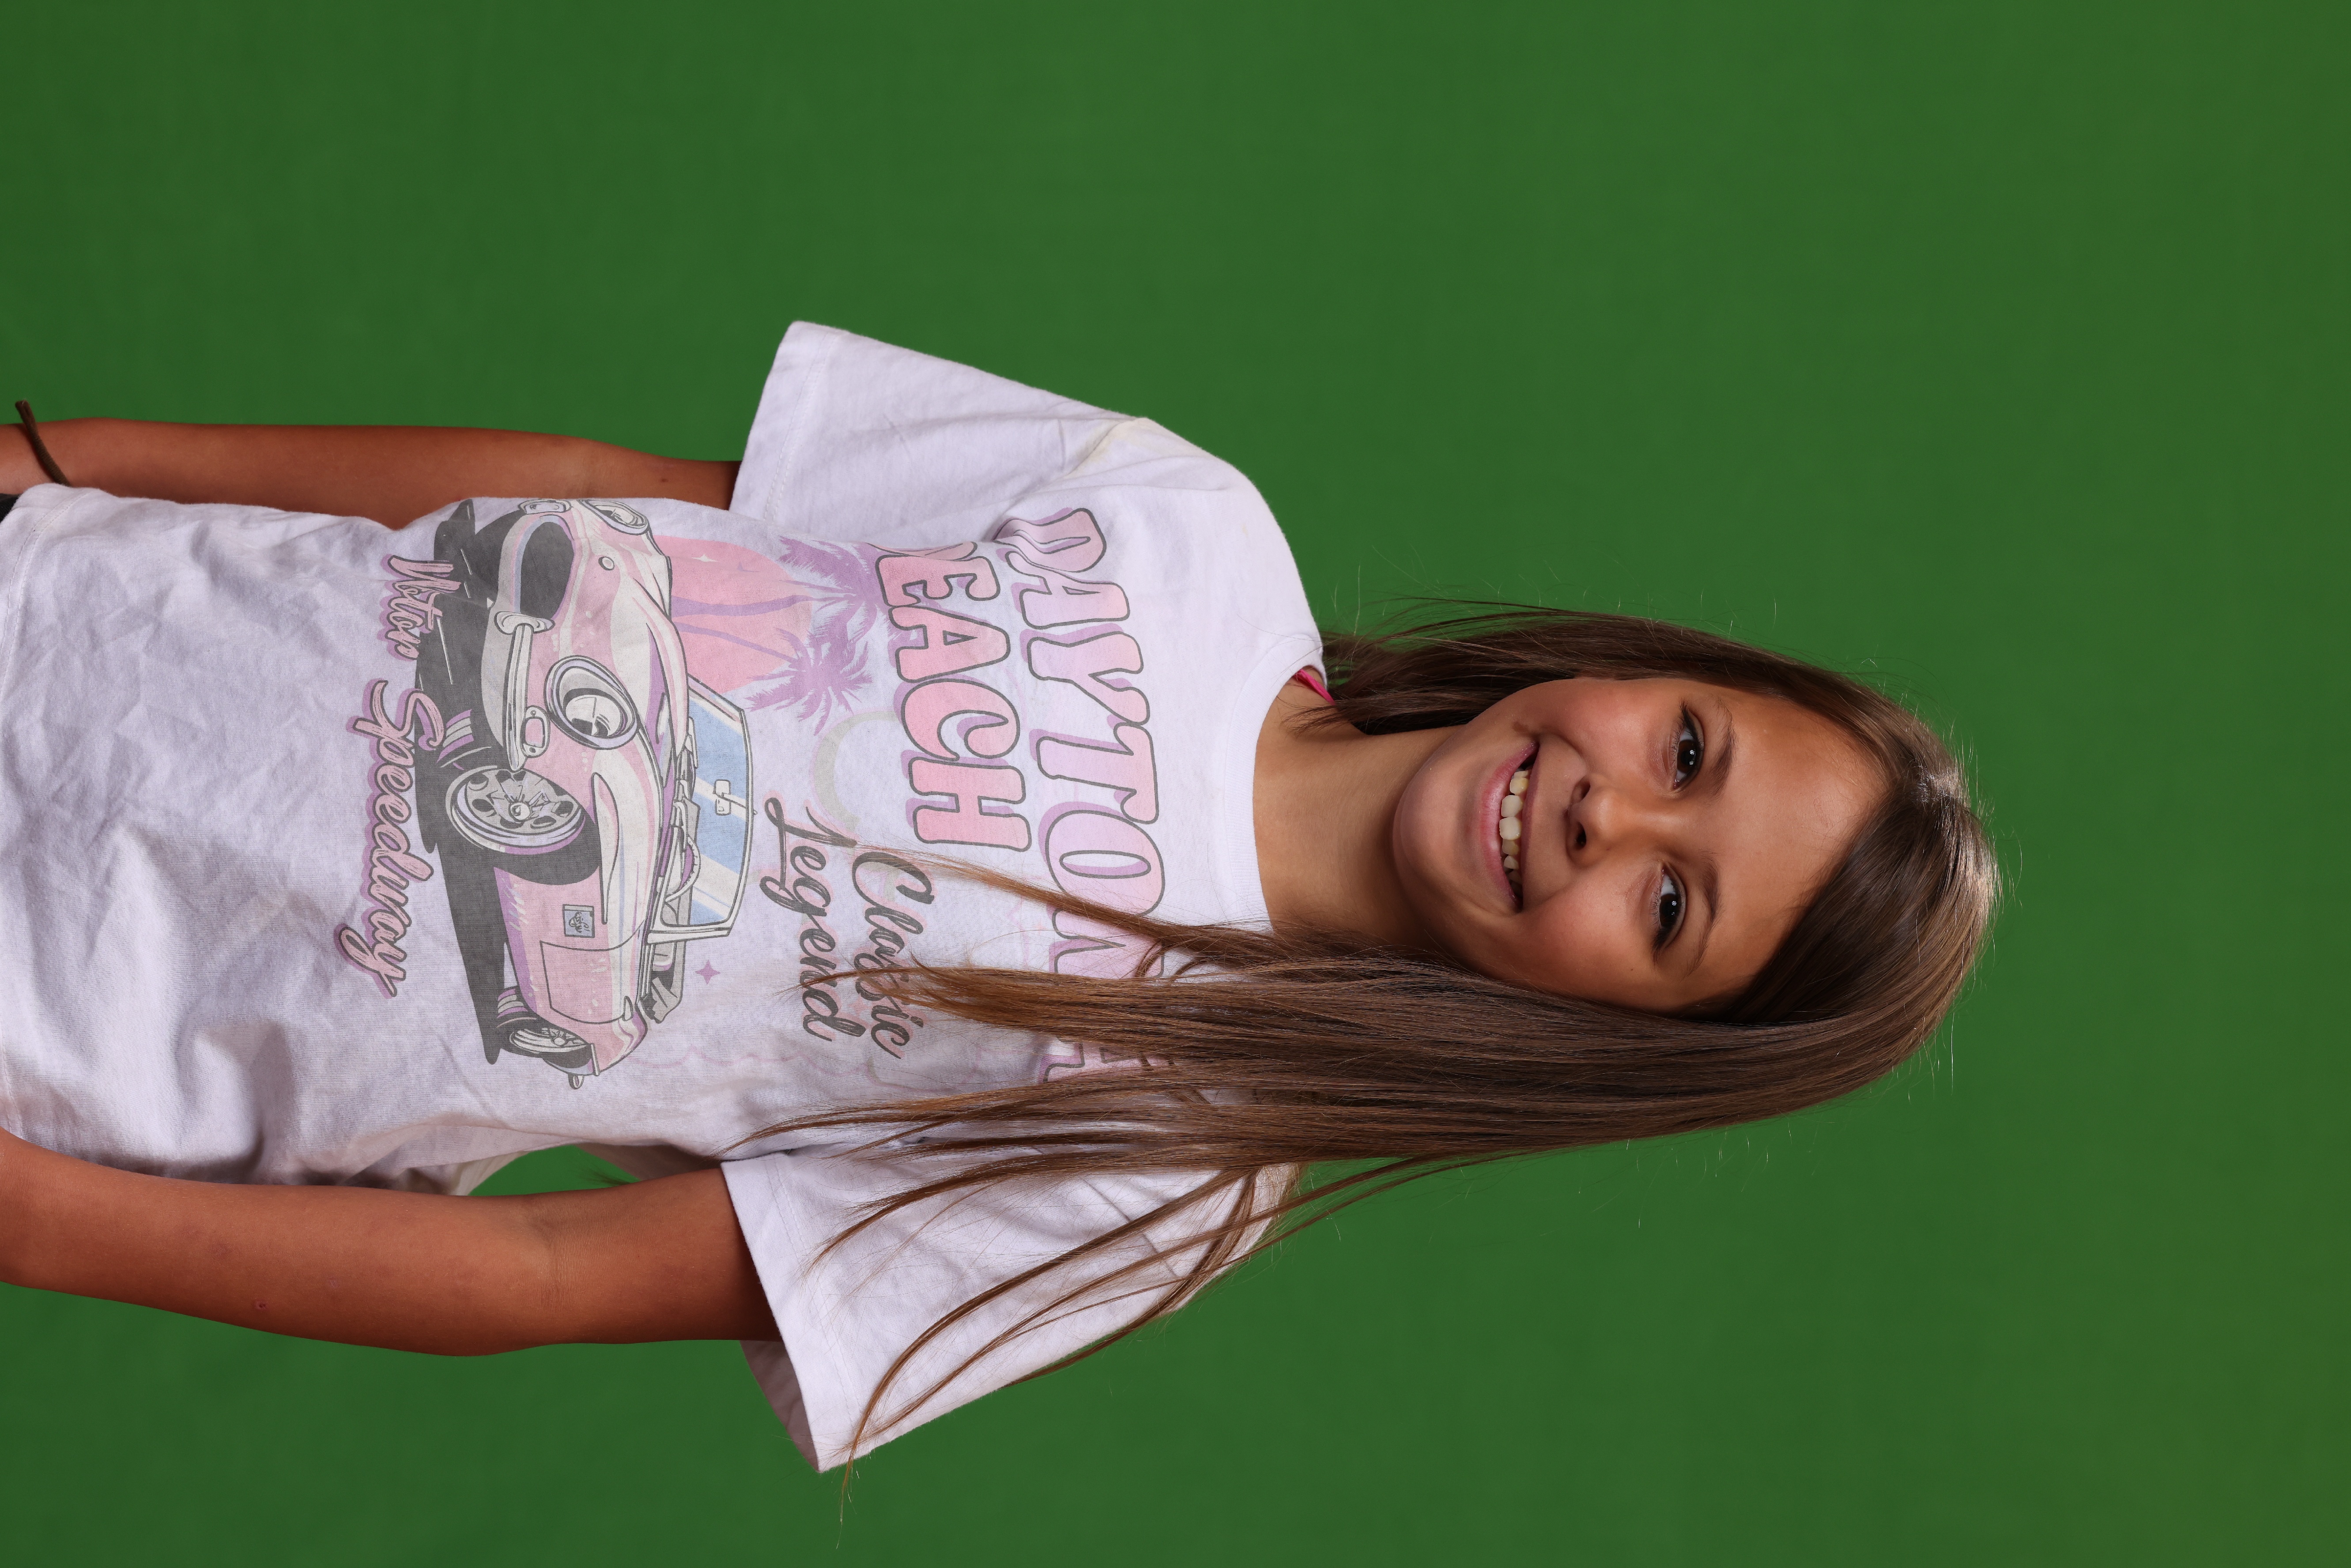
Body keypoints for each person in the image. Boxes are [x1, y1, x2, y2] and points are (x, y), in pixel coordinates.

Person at [0, 325, 1996, 1470]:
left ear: (1613, 1041)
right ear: (1653, 667)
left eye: (1671, 913)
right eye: (1688, 752)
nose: (1608, 820)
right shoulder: (1185, 526)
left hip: (79, 1017)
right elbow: (591, 482)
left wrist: (41, 1222)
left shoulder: (1177, 1173)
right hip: (70, 606)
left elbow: (539, 1279)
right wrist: (69, 459)